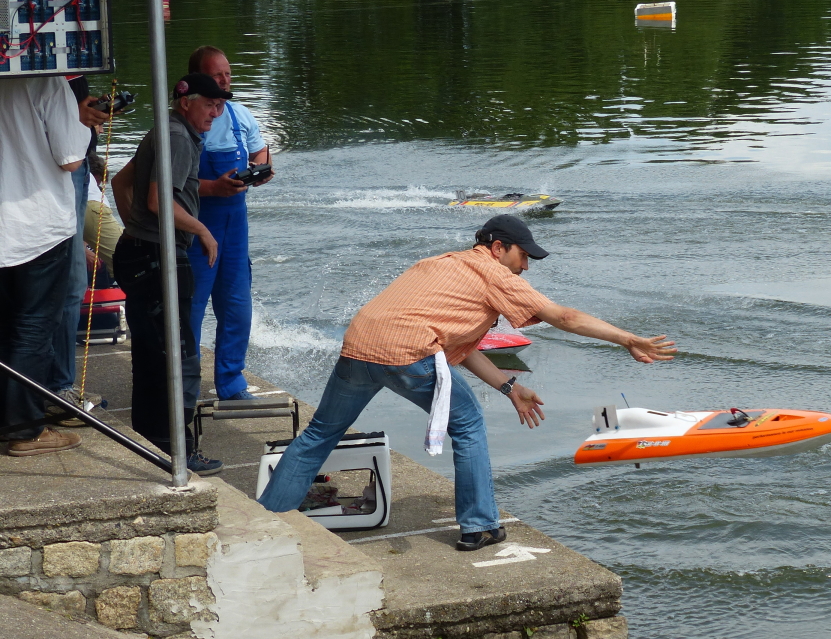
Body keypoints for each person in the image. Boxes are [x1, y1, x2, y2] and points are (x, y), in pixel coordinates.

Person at [258, 214, 677, 551]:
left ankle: (265, 524)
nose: (526, 266)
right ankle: (478, 527)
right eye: (523, 256)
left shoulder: (439, 264)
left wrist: (511, 388)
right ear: (498, 248)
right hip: (406, 353)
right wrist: (628, 339)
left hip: (359, 345)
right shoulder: (494, 274)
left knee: (320, 433)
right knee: (468, 424)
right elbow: (563, 316)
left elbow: (461, 348)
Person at [109, 73, 229, 476]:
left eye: (220, 105)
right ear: (185, 102)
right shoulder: (177, 136)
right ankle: (178, 449)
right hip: (157, 257)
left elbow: (120, 182)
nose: (216, 112)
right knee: (178, 355)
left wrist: (135, 229)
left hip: (139, 250)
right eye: (209, 104)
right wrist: (202, 231)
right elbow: (158, 200)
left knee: (150, 352)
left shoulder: (166, 129)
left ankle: (150, 439)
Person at [0, 76, 92, 456]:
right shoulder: (46, 80)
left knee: (6, 324)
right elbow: (71, 158)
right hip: (36, 225)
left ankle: (9, 420)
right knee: (33, 327)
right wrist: (83, 122)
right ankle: (25, 429)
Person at [186, 45, 273, 402]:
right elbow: (169, 184)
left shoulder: (240, 114)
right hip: (196, 226)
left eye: (227, 74)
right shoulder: (187, 122)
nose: (224, 81)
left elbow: (260, 150)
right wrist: (213, 188)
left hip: (235, 227)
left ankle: (231, 382)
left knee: (237, 306)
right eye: (215, 75)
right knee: (191, 308)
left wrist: (261, 168)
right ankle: (184, 383)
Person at [46, 76, 112, 425]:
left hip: (77, 163)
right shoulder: (47, 68)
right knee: (69, 286)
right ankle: (58, 390)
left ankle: (58, 386)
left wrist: (87, 114)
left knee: (71, 286)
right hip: (65, 165)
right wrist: (76, 116)